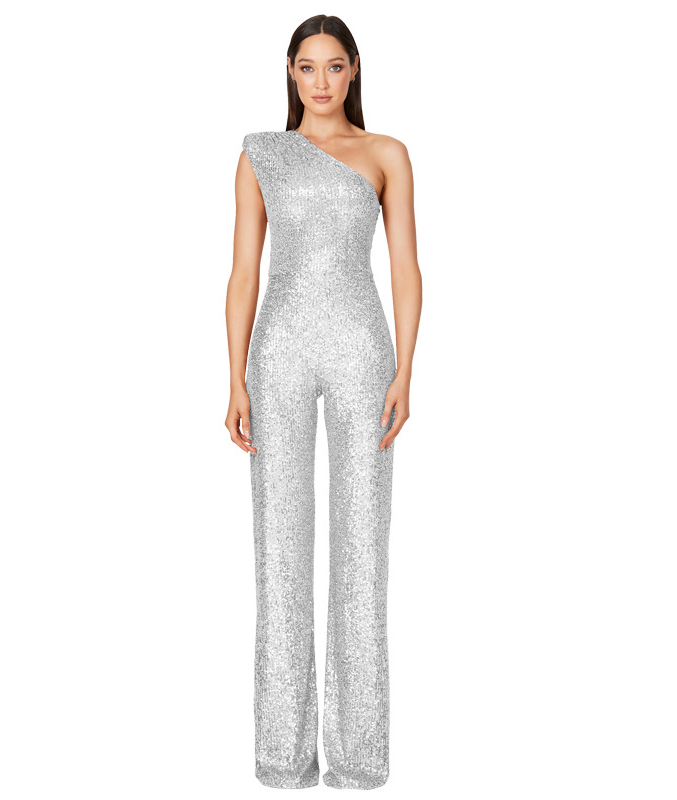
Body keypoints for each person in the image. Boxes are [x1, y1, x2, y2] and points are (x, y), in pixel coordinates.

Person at [225, 14, 422, 790]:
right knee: (279, 553)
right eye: (306, 67)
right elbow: (244, 273)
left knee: (362, 552)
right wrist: (233, 377)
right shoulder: (260, 155)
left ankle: (360, 758)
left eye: (333, 66)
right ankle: (282, 757)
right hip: (276, 352)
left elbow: (405, 267)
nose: (320, 81)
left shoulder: (387, 154)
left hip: (363, 355)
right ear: (289, 71)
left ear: (354, 70)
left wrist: (406, 369)